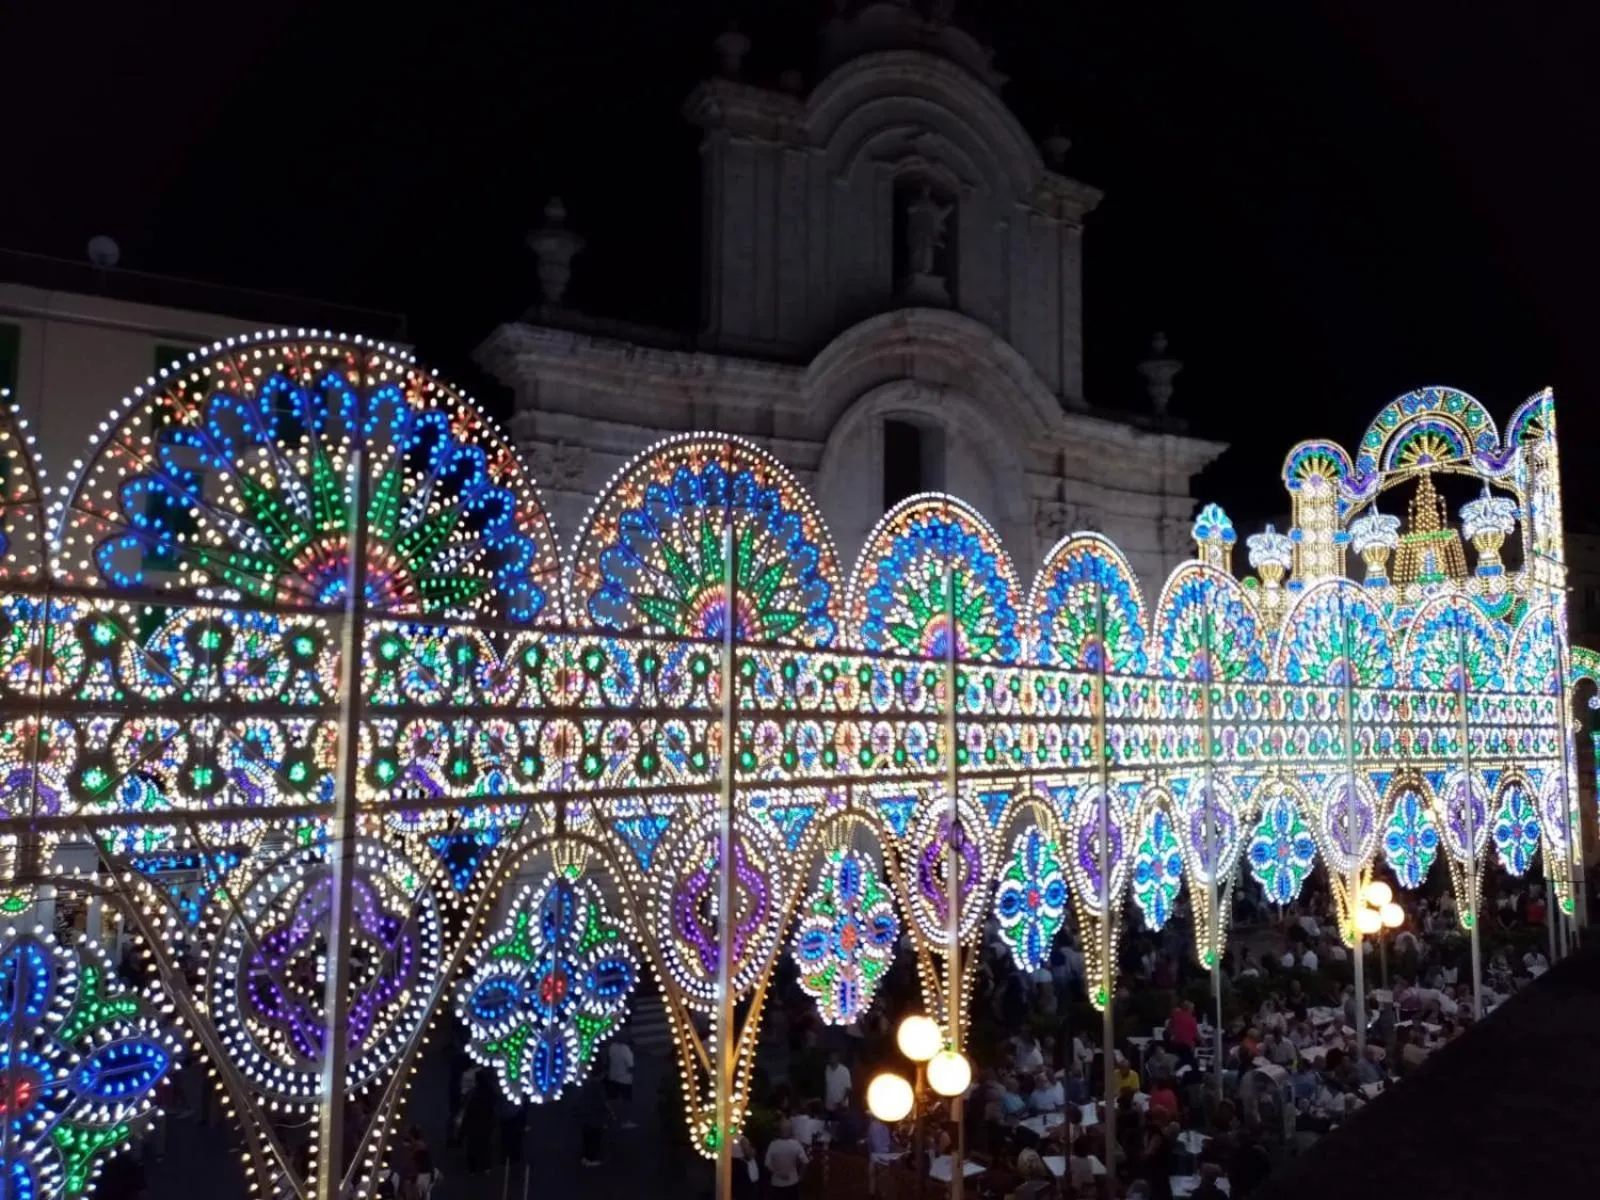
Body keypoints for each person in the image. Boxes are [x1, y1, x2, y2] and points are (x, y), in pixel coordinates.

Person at [765, 1118, 810, 1200]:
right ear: (790, 1130)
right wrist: (801, 1176)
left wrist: (778, 1174)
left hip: (776, 1183)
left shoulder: (773, 1145)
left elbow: (767, 1164)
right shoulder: (796, 1144)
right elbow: (805, 1162)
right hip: (792, 1182)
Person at [606, 1036, 637, 1127]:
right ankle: (625, 1121)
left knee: (612, 1100)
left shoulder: (612, 1047)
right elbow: (630, 1066)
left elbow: (609, 1060)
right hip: (625, 1079)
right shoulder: (626, 1050)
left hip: (612, 1077)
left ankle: (610, 1119)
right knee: (626, 1101)